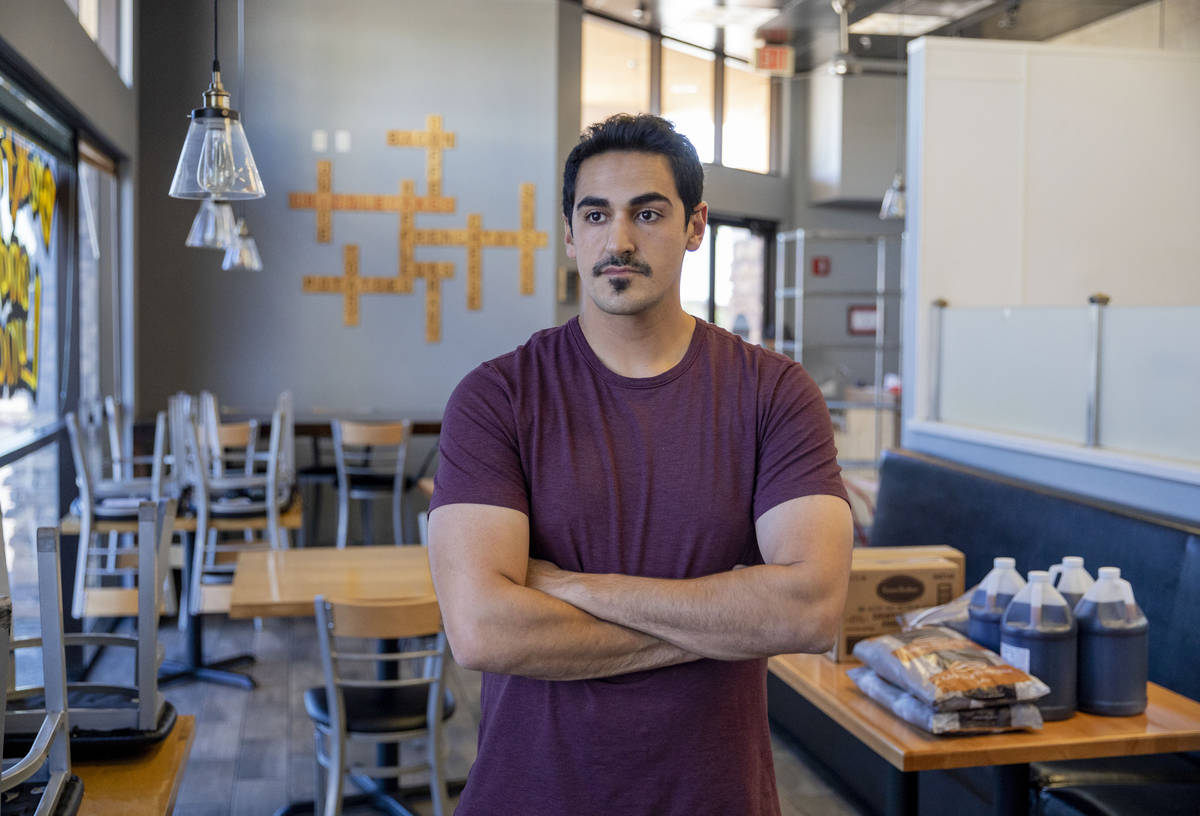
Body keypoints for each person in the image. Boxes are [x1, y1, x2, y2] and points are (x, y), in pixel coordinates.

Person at [428, 113, 852, 815]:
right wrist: (729, 619)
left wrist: (571, 588)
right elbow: (483, 629)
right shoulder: (497, 396)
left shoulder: (772, 392)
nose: (618, 240)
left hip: (713, 798)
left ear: (695, 226)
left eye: (648, 213)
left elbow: (809, 612)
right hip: (532, 795)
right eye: (596, 214)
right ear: (569, 232)